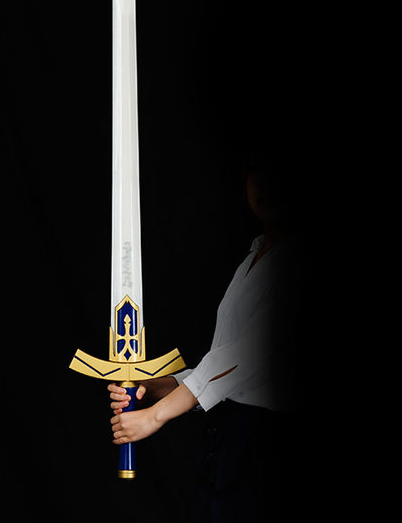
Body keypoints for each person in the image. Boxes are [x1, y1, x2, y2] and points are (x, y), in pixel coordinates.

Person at [108, 144, 306, 521]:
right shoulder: (255, 255)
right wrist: (154, 385)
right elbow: (220, 366)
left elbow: (247, 356)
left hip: (266, 443)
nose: (265, 186)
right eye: (256, 173)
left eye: (277, 173)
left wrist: (156, 416)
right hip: (225, 439)